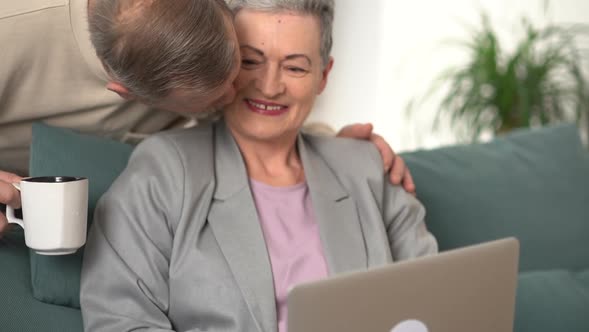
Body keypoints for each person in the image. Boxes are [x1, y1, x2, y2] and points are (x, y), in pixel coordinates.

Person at [80, 0, 438, 331]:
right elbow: (119, 320)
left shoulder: (367, 169)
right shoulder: (162, 171)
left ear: (323, 77)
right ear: (225, 61)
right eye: (250, 61)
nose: (269, 86)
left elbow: (434, 303)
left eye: (295, 67)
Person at [0, 0, 415, 237]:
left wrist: (329, 146)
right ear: (126, 93)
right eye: (214, 97)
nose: (242, 94)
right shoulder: (12, 32)